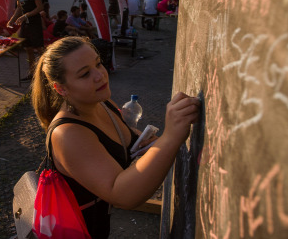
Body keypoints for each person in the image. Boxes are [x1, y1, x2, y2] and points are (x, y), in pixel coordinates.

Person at [30, 37, 200, 238]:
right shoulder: (67, 134)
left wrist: (147, 143)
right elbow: (122, 196)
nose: (100, 75)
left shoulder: (100, 102)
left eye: (98, 63)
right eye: (85, 74)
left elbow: (125, 138)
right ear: (61, 88)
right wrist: (170, 138)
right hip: (79, 231)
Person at [7, 0, 45, 81]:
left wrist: (26, 16)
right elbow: (19, 8)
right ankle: (32, 74)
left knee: (39, 49)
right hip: (25, 24)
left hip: (35, 23)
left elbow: (40, 8)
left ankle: (46, 73)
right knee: (28, 49)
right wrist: (12, 19)